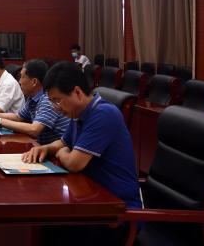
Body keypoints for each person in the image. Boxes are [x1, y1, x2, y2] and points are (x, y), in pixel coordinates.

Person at [22, 62, 141, 208]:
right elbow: (63, 143)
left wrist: (61, 152)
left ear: (77, 92)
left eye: (57, 100)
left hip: (117, 208)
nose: (56, 108)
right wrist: (44, 148)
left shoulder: (103, 114)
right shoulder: (77, 113)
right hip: (90, 195)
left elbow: (74, 163)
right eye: (52, 102)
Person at [0, 59, 70, 145]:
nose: (19, 81)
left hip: (54, 152)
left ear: (34, 82)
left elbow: (34, 130)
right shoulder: (32, 98)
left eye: (22, 77)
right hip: (40, 146)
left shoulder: (48, 99)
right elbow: (18, 117)